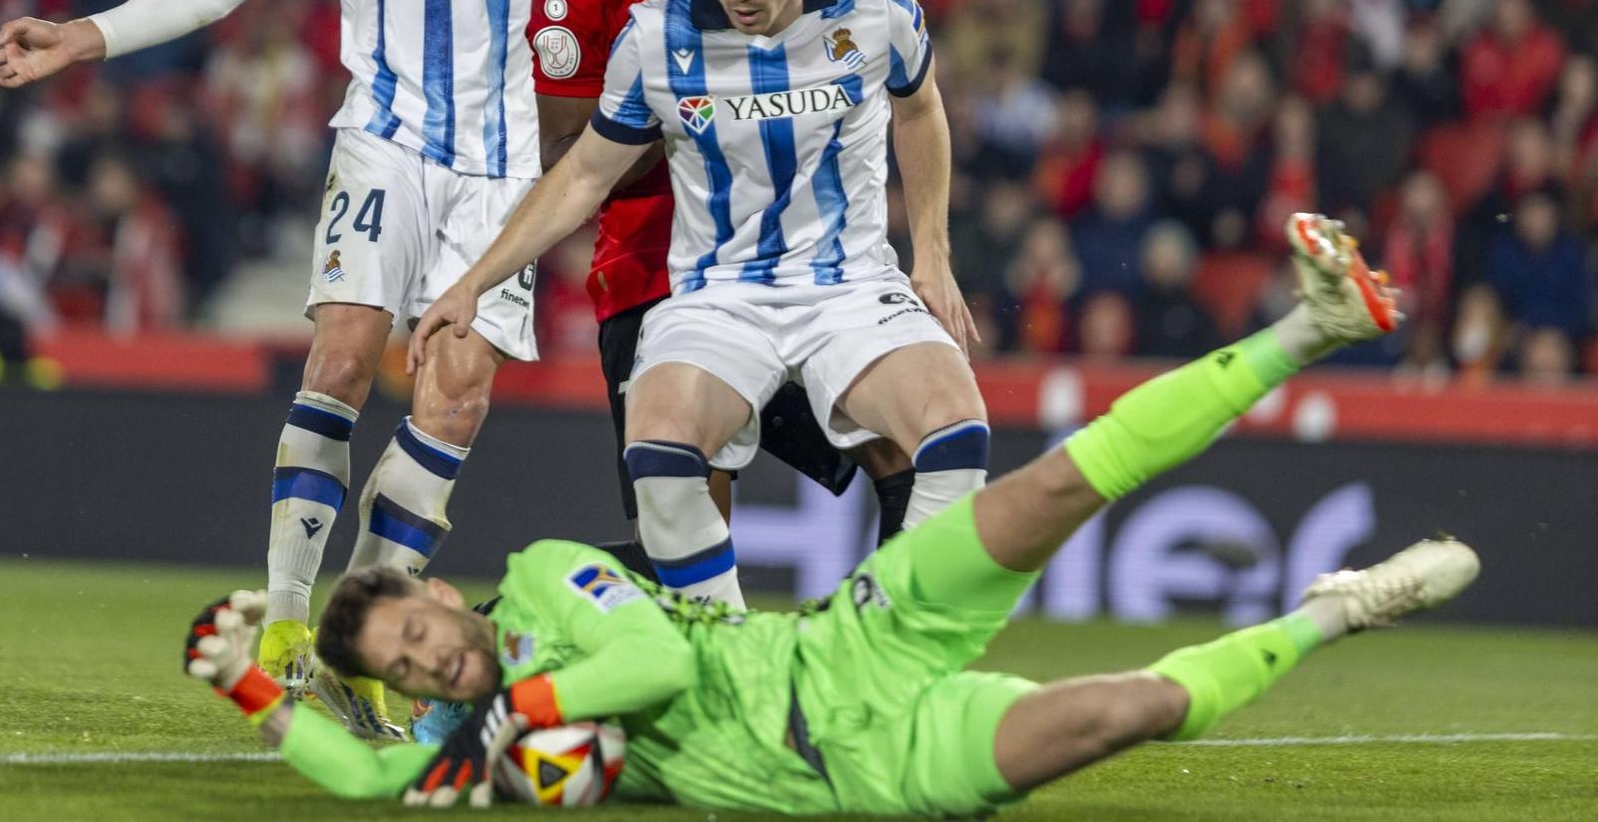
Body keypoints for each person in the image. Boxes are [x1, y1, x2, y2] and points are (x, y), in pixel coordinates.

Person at [181, 215, 1479, 815]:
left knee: (1056, 484)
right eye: (408, 672)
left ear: (438, 591)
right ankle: (1329, 611)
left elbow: (648, 661)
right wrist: (251, 683)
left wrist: (511, 713)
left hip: (850, 638)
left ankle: (1312, 324)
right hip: (863, 768)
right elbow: (359, 767)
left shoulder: (543, 584)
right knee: (1125, 711)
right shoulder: (456, 733)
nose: (429, 660)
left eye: (416, 632)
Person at [0, 0, 604, 736]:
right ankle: (286, 622)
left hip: (504, 162)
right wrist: (83, 36)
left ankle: (355, 646)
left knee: (452, 392)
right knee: (347, 352)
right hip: (383, 137)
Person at [423, 0, 987, 608]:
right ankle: (722, 655)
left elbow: (920, 108)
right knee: (658, 449)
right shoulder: (656, 37)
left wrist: (933, 253)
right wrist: (471, 280)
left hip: (850, 287)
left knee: (958, 434)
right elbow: (585, 173)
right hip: (718, 295)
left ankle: (885, 645)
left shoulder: (873, 8)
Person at [525, 0, 912, 582]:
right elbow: (563, 157)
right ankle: (489, 632)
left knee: (909, 454)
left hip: (800, 272)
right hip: (657, 281)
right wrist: (691, 123)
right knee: (688, 561)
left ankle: (893, 665)